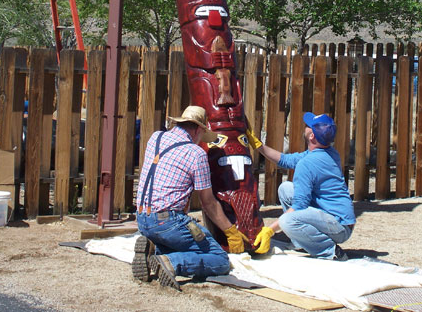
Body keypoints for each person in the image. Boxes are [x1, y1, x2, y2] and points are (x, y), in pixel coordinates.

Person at [132, 105, 247, 289]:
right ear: (199, 129)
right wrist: (230, 231)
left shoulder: (156, 138)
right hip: (168, 222)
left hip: (142, 218)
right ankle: (171, 262)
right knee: (219, 259)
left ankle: (154, 248)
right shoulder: (196, 154)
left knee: (180, 243)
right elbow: (208, 203)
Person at [248, 112, 355, 260]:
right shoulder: (328, 152)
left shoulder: (308, 164)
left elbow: (299, 205)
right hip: (336, 218)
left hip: (339, 226)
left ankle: (330, 251)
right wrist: (259, 146)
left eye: (308, 125)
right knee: (285, 189)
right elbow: (285, 160)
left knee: (287, 220)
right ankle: (301, 242)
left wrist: (270, 230)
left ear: (311, 136)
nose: (305, 126)